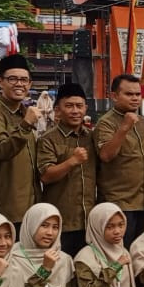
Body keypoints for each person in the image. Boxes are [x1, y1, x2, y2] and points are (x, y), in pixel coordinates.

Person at [36, 82, 96, 256]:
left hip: (89, 220)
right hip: (61, 220)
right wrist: (72, 161)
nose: (75, 111)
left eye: (79, 106)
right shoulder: (48, 139)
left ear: (86, 108)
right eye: (69, 106)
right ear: (58, 110)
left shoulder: (91, 137)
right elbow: (45, 176)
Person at [94, 74, 144, 243]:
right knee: (118, 254)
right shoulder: (106, 123)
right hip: (118, 203)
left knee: (138, 254)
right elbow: (106, 155)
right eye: (129, 94)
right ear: (114, 96)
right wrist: (124, 128)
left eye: (138, 94)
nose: (135, 98)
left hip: (143, 201)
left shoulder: (142, 122)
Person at [0, 54, 41, 229]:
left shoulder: (25, 111)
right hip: (9, 206)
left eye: (24, 80)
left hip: (32, 204)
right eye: (12, 79)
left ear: (29, 84)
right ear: (1, 82)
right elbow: (1, 151)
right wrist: (25, 125)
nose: (19, 84)